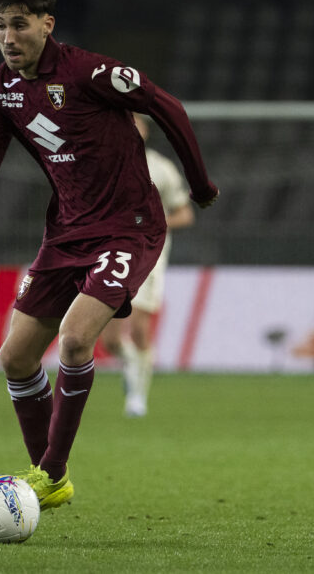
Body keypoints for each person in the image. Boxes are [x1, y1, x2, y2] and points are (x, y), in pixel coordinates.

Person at [0, 0, 218, 509]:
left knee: (77, 338)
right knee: (14, 358)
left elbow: (168, 106)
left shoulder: (91, 72)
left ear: (46, 23)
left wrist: (199, 184)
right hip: (66, 232)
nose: (8, 38)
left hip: (128, 227)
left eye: (19, 25)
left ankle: (51, 471)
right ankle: (50, 481)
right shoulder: (3, 89)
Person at [98, 113, 194, 418]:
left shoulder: (162, 169)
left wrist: (154, 221)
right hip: (112, 257)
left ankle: (137, 397)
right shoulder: (101, 165)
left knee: (139, 327)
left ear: (145, 131)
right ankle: (131, 365)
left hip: (149, 257)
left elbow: (185, 214)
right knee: (110, 339)